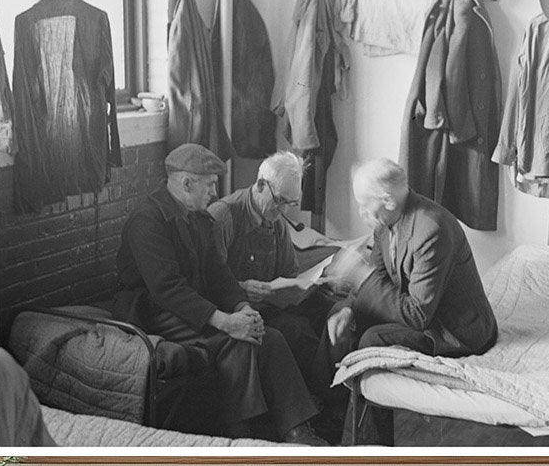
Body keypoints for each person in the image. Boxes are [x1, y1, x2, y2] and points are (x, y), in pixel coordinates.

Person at [114, 143, 327, 445]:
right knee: (235, 343)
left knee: (268, 335)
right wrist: (226, 322)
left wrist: (242, 308)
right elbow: (167, 289)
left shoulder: (199, 218)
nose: (214, 193)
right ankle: (242, 436)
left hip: (190, 305)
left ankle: (295, 428)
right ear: (187, 183)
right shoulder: (148, 221)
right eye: (210, 185)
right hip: (152, 310)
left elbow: (218, 275)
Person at [327, 157, 498, 357]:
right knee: (339, 313)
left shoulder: (432, 231)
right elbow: (381, 278)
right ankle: (323, 386)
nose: (361, 212)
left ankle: (345, 384)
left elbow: (417, 315)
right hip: (421, 309)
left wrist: (361, 276)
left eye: (365, 205)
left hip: (455, 329)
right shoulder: (384, 221)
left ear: (389, 201)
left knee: (372, 338)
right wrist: (350, 310)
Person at [208, 151, 333, 394]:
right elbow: (209, 281)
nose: (284, 210)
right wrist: (242, 288)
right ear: (260, 185)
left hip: (268, 306)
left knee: (326, 312)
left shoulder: (276, 220)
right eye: (280, 200)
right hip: (234, 312)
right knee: (294, 332)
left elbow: (289, 273)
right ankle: (320, 401)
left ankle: (325, 400)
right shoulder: (224, 216)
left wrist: (307, 286)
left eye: (291, 203)